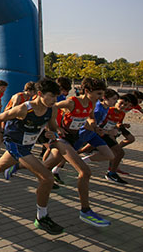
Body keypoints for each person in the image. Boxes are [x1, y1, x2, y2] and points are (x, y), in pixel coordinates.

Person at [0, 78, 64, 235]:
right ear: (39, 94)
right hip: (15, 144)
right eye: (51, 96)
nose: (54, 100)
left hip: (27, 145)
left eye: (56, 97)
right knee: (47, 178)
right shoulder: (24, 108)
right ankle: (42, 217)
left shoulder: (51, 109)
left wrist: (53, 133)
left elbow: (52, 127)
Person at [44, 77, 112, 227]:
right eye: (99, 93)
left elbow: (91, 117)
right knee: (85, 172)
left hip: (74, 138)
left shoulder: (92, 103)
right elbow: (52, 107)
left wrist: (93, 125)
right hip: (61, 138)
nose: (101, 97)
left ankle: (17, 164)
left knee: (47, 165)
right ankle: (85, 211)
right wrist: (54, 128)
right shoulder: (71, 102)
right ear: (87, 91)